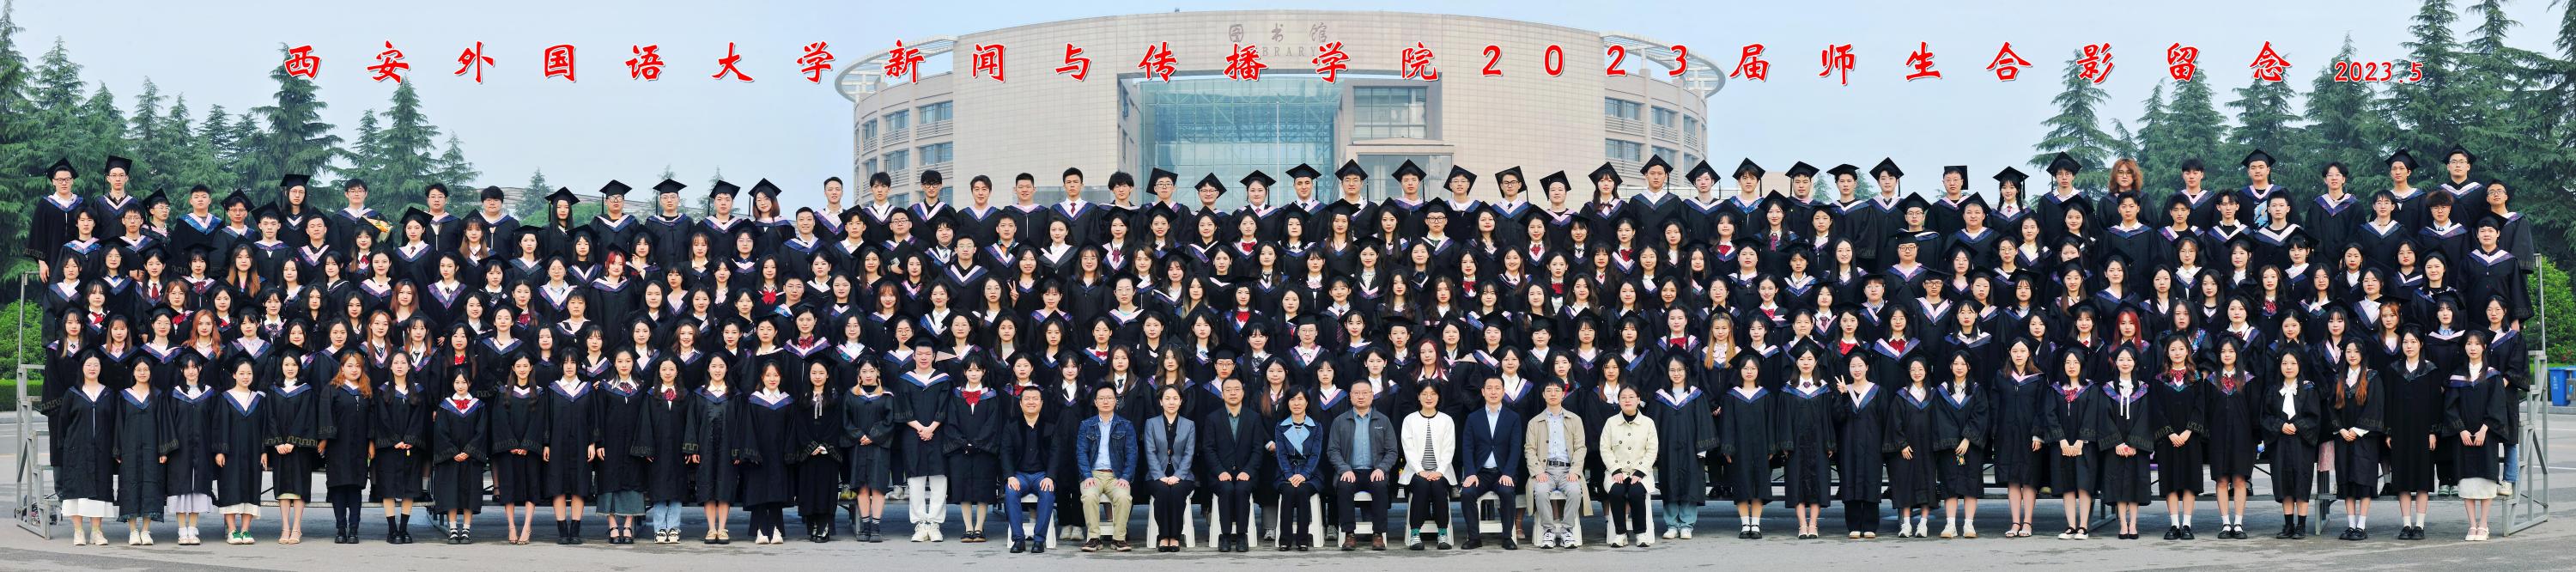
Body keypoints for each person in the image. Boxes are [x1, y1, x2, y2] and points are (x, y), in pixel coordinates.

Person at [2447, 332, 2512, 541]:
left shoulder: (2492, 375)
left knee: (2486, 478)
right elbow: (2450, 406)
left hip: (2487, 435)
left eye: (2477, 344)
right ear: (2465, 347)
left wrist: (2485, 429)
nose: (2473, 347)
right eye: (2469, 344)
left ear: (2484, 347)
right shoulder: (2457, 376)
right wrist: (2461, 429)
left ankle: (2483, 525)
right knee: (2467, 480)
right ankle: (2472, 525)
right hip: (2464, 436)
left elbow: (2498, 405)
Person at [1327, 377, 1400, 551]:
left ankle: (1378, 534)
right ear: (1350, 396)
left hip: (1374, 471)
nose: (1361, 396)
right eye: (1357, 393)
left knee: (1380, 486)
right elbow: (1333, 451)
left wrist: (1381, 468)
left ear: (1372, 395)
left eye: (1365, 393)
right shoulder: (1340, 421)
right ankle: (1349, 534)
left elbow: (1392, 451)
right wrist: (1344, 469)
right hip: (1350, 471)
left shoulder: (1383, 421)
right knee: (1344, 487)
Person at [1200, 375, 1270, 552]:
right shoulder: (1212, 418)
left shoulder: (1253, 418)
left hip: (1246, 473)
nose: (1233, 393)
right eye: (1228, 390)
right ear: (1222, 394)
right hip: (1220, 473)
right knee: (1226, 489)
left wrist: (1248, 471)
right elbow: (1208, 449)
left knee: (1241, 489)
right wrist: (1219, 471)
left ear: (1243, 393)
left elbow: (1257, 449)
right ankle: (1224, 535)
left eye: (1237, 389)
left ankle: (1241, 535)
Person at [55, 350, 116, 546]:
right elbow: (63, 423)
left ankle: (96, 532)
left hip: (101, 450)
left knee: (99, 490)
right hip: (77, 449)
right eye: (88, 365)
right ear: (82, 368)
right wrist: (65, 447)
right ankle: (78, 531)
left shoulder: (108, 394)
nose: (92, 368)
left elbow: (114, 423)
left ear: (101, 368)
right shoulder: (73, 393)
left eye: (96, 365)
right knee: (76, 491)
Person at [943, 358, 1007, 544]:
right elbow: (951, 421)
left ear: (984, 372)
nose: (973, 373)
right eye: (970, 370)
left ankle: (979, 527)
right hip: (960, 450)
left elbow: (993, 424)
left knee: (983, 488)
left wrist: (977, 444)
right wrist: (963, 444)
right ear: (964, 372)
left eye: (977, 370)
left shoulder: (991, 396)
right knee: (962, 488)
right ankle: (967, 528)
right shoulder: (956, 395)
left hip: (984, 451)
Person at [1716, 352, 1779, 539]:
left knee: (1759, 484)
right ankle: (1745, 524)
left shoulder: (1766, 396)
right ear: (1740, 371)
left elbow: (1770, 424)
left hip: (1761, 446)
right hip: (1739, 448)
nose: (1749, 371)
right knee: (1741, 484)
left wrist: (1771, 447)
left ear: (1758, 371)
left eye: (1753, 368)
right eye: (1745, 368)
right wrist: (1727, 447)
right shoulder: (1731, 396)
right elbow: (1727, 424)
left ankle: (1756, 524)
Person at [1456, 375, 1524, 550]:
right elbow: (1467, 447)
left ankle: (1507, 537)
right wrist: (1470, 473)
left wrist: (1508, 473)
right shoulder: (1473, 418)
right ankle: (1474, 538)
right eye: (1489, 388)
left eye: (1497, 388)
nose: (1493, 392)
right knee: (1467, 493)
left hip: (1503, 472)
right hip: (1480, 473)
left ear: (1503, 391)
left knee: (1507, 492)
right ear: (1483, 392)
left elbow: (1515, 448)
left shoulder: (1513, 417)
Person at [2096, 346, 2156, 540]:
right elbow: (2104, 417)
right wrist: (2117, 443)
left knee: (2134, 485)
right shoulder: (2107, 389)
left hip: (2136, 447)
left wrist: (2134, 444)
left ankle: (2133, 524)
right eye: (2121, 359)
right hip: (2116, 447)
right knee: (2118, 485)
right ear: (2115, 362)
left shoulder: (2144, 389)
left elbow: (2146, 417)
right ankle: (2123, 524)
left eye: (2129, 359)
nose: (2125, 363)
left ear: (2135, 363)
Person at [2328, 340, 2385, 540]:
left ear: (2363, 354)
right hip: (2344, 437)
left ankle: (2361, 526)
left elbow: (2376, 406)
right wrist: (2341, 429)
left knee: (2364, 481)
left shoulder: (2372, 377)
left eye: (2356, 351)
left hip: (2365, 438)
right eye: (2348, 351)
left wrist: (2357, 429)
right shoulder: (2338, 378)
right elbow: (2331, 407)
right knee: (2347, 481)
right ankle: (2351, 525)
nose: (2352, 355)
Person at [372, 351, 431, 545]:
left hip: (410, 447)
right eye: (395, 362)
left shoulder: (418, 390)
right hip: (389, 448)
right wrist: (394, 440)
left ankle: (404, 529)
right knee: (388, 488)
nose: (399, 366)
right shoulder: (382, 390)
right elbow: (381, 417)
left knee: (409, 488)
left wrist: (409, 439)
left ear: (409, 366)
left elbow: (419, 418)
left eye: (403, 363)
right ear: (390, 366)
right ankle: (392, 530)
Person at [1076, 384, 1139, 553]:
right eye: (1101, 398)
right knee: (1089, 496)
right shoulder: (1086, 425)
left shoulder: (1126, 425)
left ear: (1115, 401)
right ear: (1095, 402)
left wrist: (1125, 477)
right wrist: (1087, 475)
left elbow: (1132, 454)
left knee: (1124, 497)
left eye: (1110, 398)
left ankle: (1118, 539)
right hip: (1093, 475)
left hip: (1116, 476)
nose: (1106, 401)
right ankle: (1094, 538)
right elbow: (1081, 453)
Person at [163, 355, 219, 546]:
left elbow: (215, 422)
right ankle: (182, 530)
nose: (191, 371)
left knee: (197, 488)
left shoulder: (210, 393)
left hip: (202, 447)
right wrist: (168, 448)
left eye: (194, 367)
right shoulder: (174, 393)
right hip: (179, 450)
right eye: (187, 368)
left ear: (200, 369)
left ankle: (193, 529)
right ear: (181, 371)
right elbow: (168, 423)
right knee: (181, 488)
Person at [840, 361, 898, 543]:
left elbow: (890, 421)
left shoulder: (887, 395)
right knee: (862, 485)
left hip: (879, 446)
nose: (868, 375)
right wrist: (860, 436)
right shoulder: (851, 395)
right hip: (858, 445)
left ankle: (876, 527)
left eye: (871, 371)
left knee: (878, 486)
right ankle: (865, 527)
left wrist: (873, 436)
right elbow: (846, 421)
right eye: (864, 371)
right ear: (859, 374)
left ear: (877, 373)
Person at [429, 369, 489, 544]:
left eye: (464, 382)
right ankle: (453, 529)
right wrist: (453, 452)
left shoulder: (479, 406)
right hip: (451, 458)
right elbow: (440, 432)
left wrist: (468, 451)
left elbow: (482, 431)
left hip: (471, 458)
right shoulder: (445, 406)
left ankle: (467, 530)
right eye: (457, 382)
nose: (460, 386)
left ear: (469, 383)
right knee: (451, 492)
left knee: (470, 493)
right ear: (452, 384)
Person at [320, 357, 374, 545]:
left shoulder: (366, 391)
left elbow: (372, 419)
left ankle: (354, 530)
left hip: (359, 446)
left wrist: (371, 443)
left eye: (358, 366)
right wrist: (325, 440)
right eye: (349, 366)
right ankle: (341, 529)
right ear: (342, 368)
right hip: (337, 445)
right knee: (338, 486)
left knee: (355, 487)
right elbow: (326, 416)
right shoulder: (332, 389)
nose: (354, 369)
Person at [1399, 384, 1458, 550]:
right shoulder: (1410, 420)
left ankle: (1442, 534)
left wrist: (1439, 471)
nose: (1429, 397)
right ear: (1418, 397)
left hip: (1442, 472)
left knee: (1439, 486)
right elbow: (1408, 449)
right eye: (1424, 394)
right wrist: (1420, 471)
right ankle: (1415, 534)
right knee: (1421, 485)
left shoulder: (1446, 420)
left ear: (1439, 397)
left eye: (1433, 394)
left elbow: (1449, 449)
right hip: (1416, 472)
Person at [999, 386, 1058, 553]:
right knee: (1011, 491)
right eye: (1027, 399)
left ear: (1041, 403)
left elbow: (1056, 453)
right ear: (1021, 403)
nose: (1031, 402)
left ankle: (1039, 540)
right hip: (1020, 475)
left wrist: (1050, 476)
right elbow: (1005, 452)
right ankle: (1019, 540)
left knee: (1048, 491)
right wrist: (1010, 476)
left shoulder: (1050, 425)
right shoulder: (1012, 425)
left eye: (1035, 399)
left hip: (1042, 475)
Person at [1139, 385, 1198, 552]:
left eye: (1175, 399)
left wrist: (1178, 475)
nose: (1171, 402)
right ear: (1160, 402)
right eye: (1167, 398)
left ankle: (1175, 537)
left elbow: (1189, 453)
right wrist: (1160, 475)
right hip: (1157, 475)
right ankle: (1164, 536)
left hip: (1183, 475)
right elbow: (1150, 452)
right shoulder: (1151, 423)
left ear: (1181, 401)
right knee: (1163, 491)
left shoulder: (1189, 425)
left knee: (1178, 491)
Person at [1272, 390, 1327, 551]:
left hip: (1310, 474)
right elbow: (1281, 454)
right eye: (1292, 399)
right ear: (1287, 403)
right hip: (1285, 473)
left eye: (1300, 399)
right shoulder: (1281, 426)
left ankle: (1303, 540)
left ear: (1307, 402)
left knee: (1303, 491)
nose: (1296, 403)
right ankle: (1285, 540)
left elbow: (1316, 454)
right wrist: (1289, 475)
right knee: (1288, 491)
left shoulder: (1316, 426)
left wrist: (1304, 475)